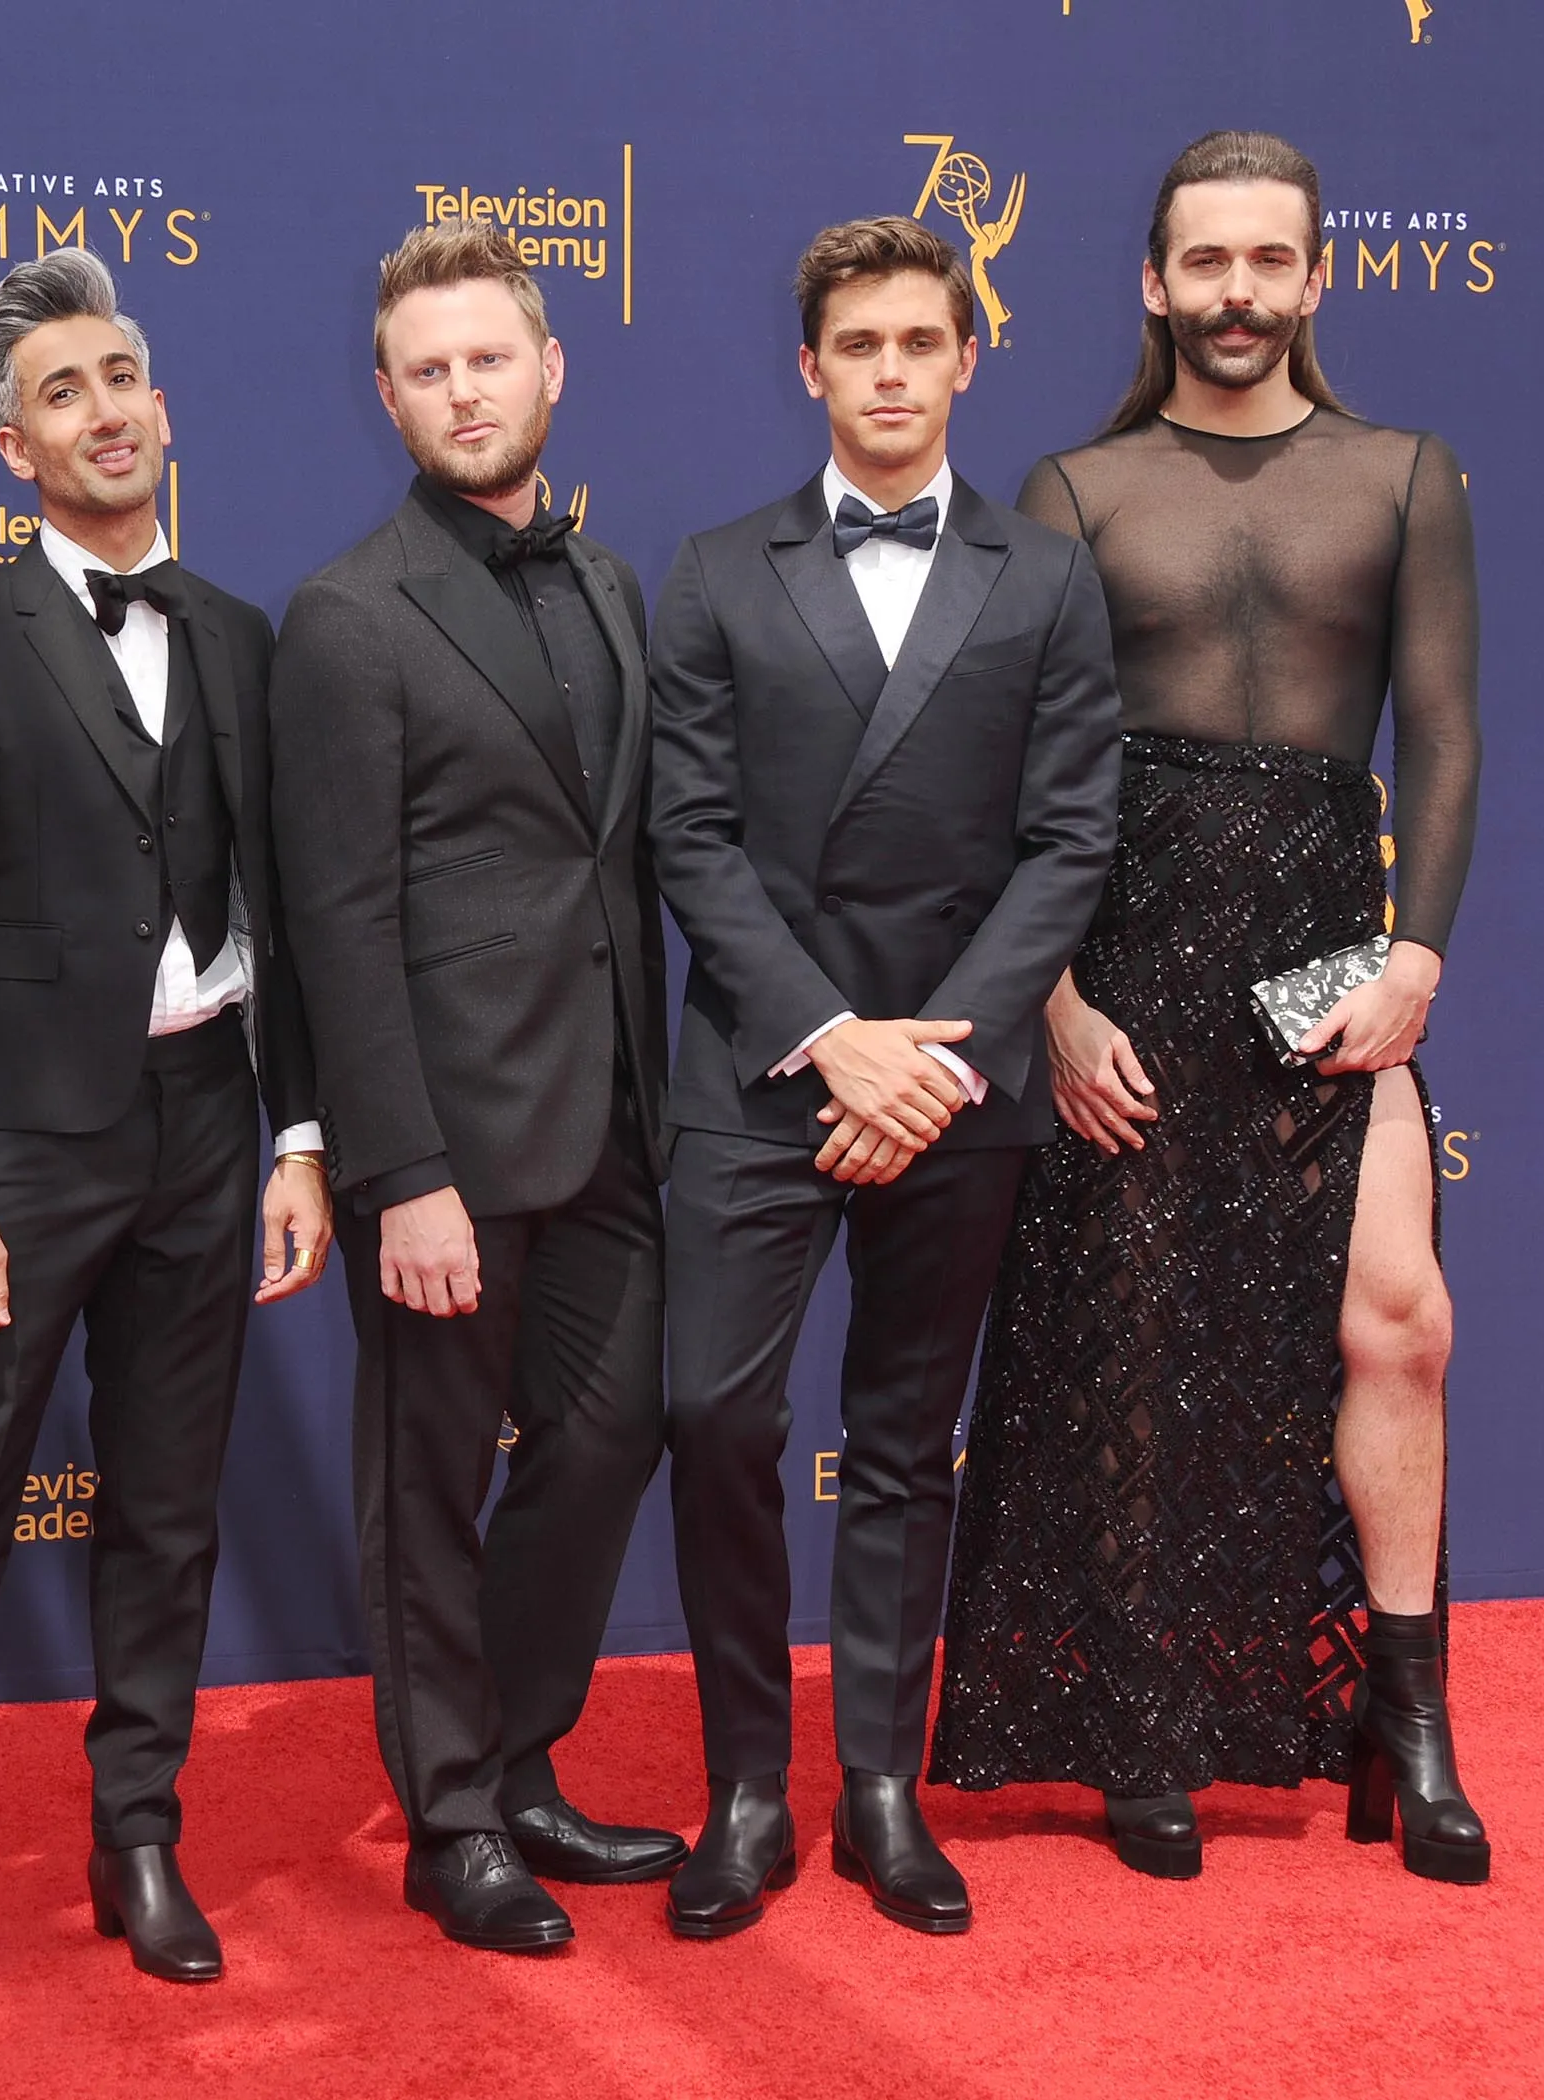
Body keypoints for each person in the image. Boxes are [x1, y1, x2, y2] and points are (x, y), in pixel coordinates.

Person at [931, 130, 1489, 1887]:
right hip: (1126, 935)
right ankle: (1137, 1726)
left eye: (1269, 261)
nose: (1236, 293)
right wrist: (1057, 1002)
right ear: (1152, 282)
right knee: (1130, 1350)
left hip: (1326, 939)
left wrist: (1413, 961)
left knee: (1397, 1317)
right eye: (1205, 263)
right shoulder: (1076, 488)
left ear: (1314, 278)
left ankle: (1404, 1713)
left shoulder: (1404, 474)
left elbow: (1446, 740)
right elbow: (1013, 775)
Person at [0, 250, 331, 2035]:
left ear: (161, 407)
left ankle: (137, 1841)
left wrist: (300, 1135)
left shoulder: (245, 639)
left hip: (207, 1127)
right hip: (19, 1159)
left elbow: (280, 908)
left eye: (124, 375)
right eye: (64, 392)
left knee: (168, 1513)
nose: (105, 409)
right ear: (11, 451)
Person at [645, 217, 1121, 1940]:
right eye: (860, 347)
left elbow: (1071, 844)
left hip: (959, 1082)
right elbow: (686, 837)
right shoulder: (709, 571)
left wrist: (934, 1054)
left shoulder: (1046, 577)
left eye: (922, 342)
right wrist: (830, 1036)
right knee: (714, 1421)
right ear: (810, 367)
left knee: (907, 1443)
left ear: (965, 357)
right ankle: (743, 1793)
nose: (892, 374)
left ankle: (878, 1791)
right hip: (764, 1075)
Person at [270, 221, 685, 1955]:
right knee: (423, 1485)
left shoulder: (605, 583)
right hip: (444, 1141)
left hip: (611, 1123)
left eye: (488, 358)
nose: (462, 390)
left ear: (549, 371)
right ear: (387, 395)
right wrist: (400, 1169)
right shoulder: (348, 616)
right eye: (427, 369)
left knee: (606, 1439)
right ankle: (452, 1820)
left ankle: (516, 1760)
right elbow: (334, 926)